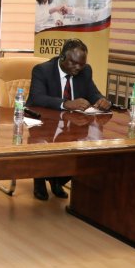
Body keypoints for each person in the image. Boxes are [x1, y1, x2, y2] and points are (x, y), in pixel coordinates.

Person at [27, 38, 111, 200]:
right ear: (62, 57)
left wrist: (102, 100)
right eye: (74, 63)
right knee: (43, 144)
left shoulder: (85, 71)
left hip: (73, 123)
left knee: (89, 149)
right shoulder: (42, 70)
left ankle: (57, 180)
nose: (78, 67)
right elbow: (37, 98)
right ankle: (39, 179)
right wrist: (66, 103)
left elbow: (93, 93)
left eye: (81, 64)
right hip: (45, 121)